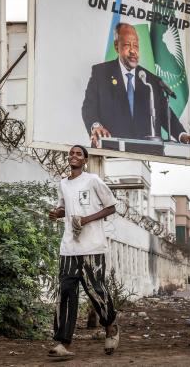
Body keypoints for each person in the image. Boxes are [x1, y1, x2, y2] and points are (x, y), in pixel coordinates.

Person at [47, 145, 119, 359]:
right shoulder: (63, 184)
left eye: (78, 153)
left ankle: (111, 326)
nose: (73, 156)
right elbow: (64, 208)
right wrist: (56, 213)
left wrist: (86, 219)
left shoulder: (93, 180)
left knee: (96, 291)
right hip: (69, 248)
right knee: (65, 294)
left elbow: (111, 207)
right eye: (71, 153)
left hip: (92, 247)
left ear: (85, 160)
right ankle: (62, 343)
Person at [81, 23, 190, 153]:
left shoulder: (151, 80)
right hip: (111, 152)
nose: (133, 50)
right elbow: (89, 106)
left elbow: (164, 112)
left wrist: (182, 135)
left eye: (136, 45)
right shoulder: (101, 73)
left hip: (146, 155)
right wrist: (96, 126)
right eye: (127, 45)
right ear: (116, 46)